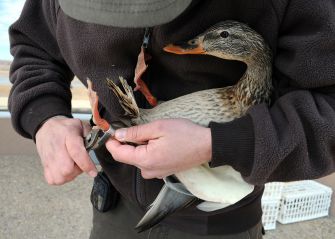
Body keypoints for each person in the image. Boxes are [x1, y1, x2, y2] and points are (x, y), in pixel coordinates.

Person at [8, 0, 335, 238]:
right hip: (114, 198)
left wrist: (218, 143)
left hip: (216, 221)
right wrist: (44, 117)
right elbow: (36, 43)